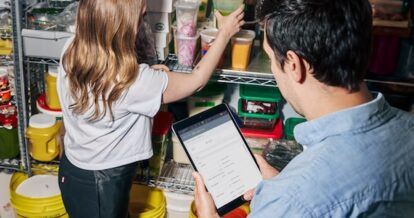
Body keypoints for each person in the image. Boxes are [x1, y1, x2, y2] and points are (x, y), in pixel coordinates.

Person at [193, 0, 414, 217]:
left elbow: (306, 199)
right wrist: (283, 183)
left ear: (293, 65)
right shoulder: (409, 128)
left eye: (270, 58)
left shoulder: (290, 201)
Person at [56, 0, 245, 217]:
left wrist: (149, 76)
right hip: (103, 181)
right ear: (123, 26)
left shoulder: (73, 48)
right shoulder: (131, 81)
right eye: (140, 16)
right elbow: (197, 80)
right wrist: (224, 33)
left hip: (75, 167)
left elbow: (109, 90)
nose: (142, 22)